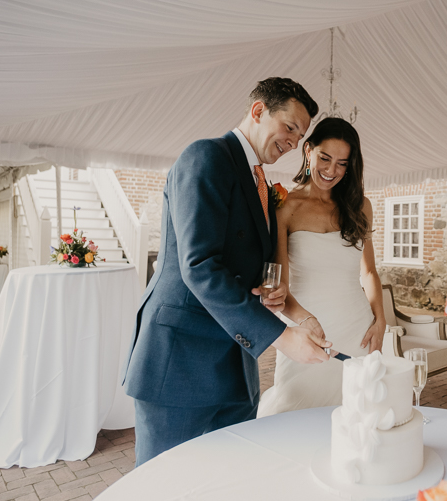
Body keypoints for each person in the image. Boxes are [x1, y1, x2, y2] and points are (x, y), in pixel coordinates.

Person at [123, 77, 331, 467]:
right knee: (164, 486)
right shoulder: (206, 157)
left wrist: (278, 298)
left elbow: (245, 259)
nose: (292, 141)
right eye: (289, 127)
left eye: (300, 135)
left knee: (228, 481)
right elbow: (199, 265)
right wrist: (283, 337)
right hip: (181, 360)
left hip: (235, 364)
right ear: (257, 111)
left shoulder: (262, 182)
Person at [257, 117, 386, 417]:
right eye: (325, 158)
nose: (331, 171)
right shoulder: (285, 206)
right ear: (308, 151)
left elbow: (368, 273)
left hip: (360, 330)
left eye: (342, 163)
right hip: (307, 333)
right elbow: (280, 287)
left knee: (361, 419)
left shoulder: (360, 206)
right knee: (295, 416)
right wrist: (305, 320)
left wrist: (381, 321)